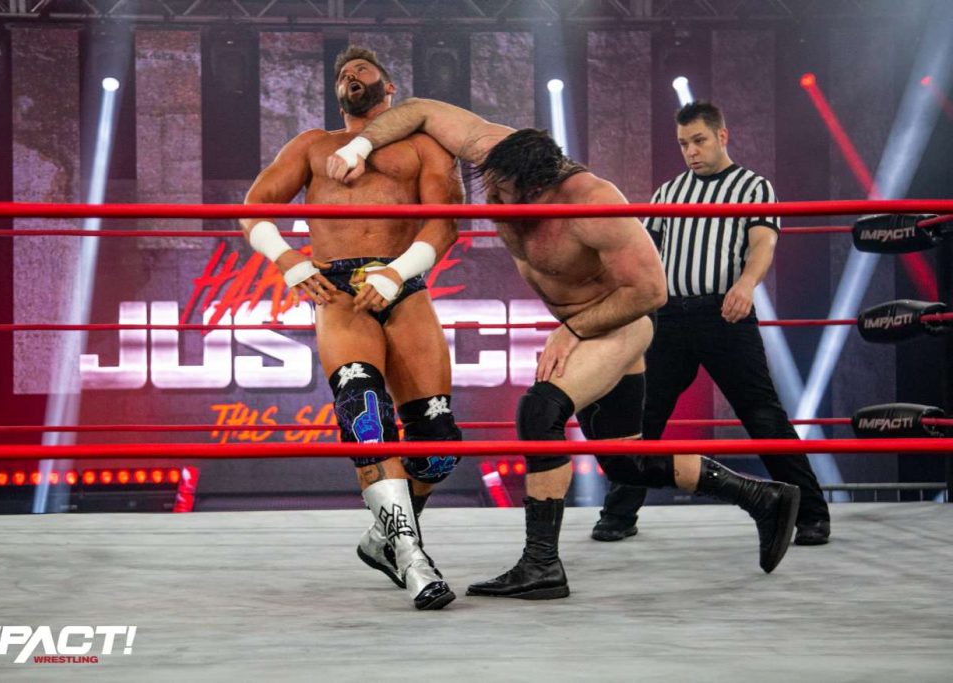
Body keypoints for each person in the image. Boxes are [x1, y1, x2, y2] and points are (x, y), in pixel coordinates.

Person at [327, 99, 801, 599]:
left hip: (619, 323)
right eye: (491, 187)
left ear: (536, 189)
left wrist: (574, 329)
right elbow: (420, 111)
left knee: (540, 412)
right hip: (583, 325)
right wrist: (360, 147)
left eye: (504, 193)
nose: (493, 199)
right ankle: (761, 496)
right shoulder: (502, 154)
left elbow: (650, 292)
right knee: (626, 462)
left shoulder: (592, 201)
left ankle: (542, 564)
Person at [241, 48, 466, 610]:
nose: (350, 76)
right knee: (366, 417)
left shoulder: (422, 145)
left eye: (363, 70)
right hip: (339, 292)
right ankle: (413, 561)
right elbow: (254, 206)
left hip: (403, 284)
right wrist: (288, 260)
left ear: (389, 88)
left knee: (439, 444)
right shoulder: (313, 146)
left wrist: (396, 273)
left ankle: (382, 538)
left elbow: (446, 222)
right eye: (344, 73)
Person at [592, 101, 831, 547]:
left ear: (722, 136)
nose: (691, 151)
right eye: (684, 143)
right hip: (669, 319)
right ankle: (619, 514)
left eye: (699, 140)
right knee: (643, 415)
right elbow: (644, 257)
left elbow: (762, 244)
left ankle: (812, 514)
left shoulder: (753, 187)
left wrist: (746, 283)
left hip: (724, 314)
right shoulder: (668, 193)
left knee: (763, 415)